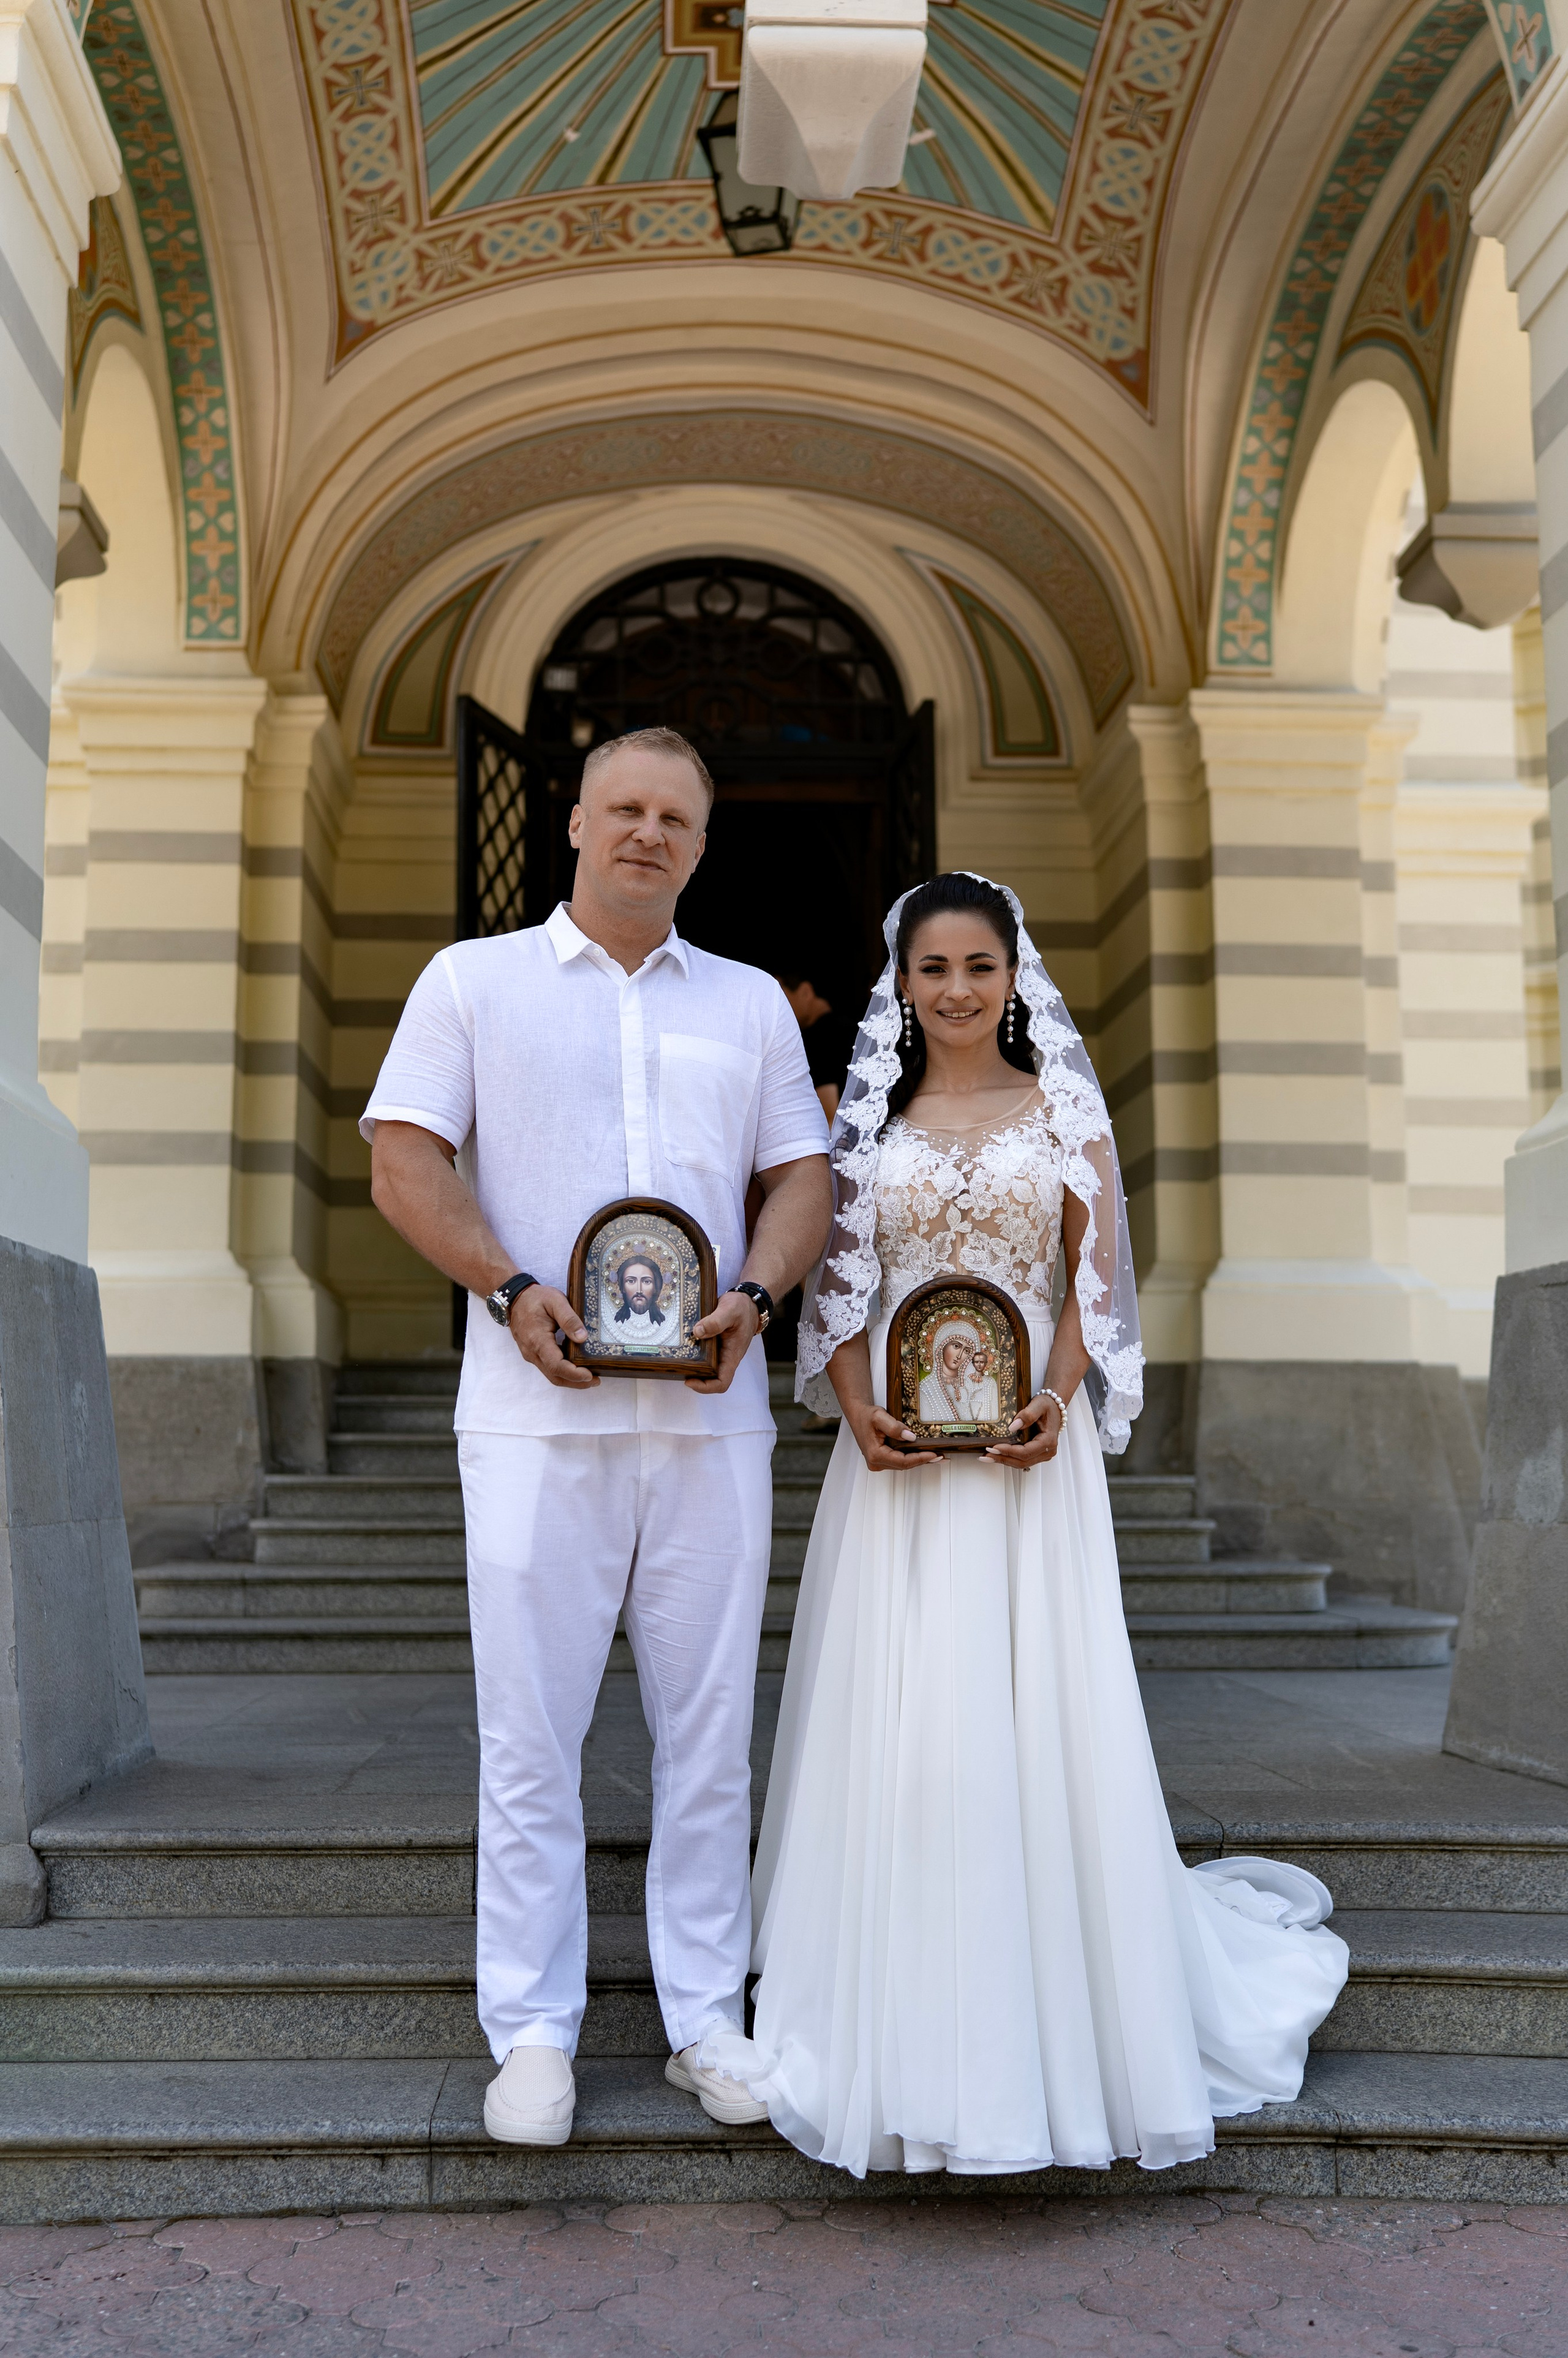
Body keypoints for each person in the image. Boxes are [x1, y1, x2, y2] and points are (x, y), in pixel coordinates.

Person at [734, 871, 1348, 2179]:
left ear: (1015, 980)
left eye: (979, 966)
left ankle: (1062, 2013)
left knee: (1032, 1710)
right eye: (932, 968)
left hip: (1026, 1460)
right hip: (894, 1465)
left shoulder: (1060, 1112)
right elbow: (834, 1295)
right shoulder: (866, 1129)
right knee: (904, 1727)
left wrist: (1059, 1401)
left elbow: (1087, 1283)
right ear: (897, 982)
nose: (955, 990)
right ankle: (893, 2011)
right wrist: (855, 1414)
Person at [363, 725, 832, 2149]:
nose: (647, 832)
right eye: (623, 807)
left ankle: (702, 2018)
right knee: (530, 1733)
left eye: (674, 816)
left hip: (706, 1422)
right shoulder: (469, 980)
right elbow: (402, 1156)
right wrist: (507, 1290)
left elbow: (799, 1173)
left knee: (708, 1735)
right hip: (530, 1419)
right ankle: (531, 2029)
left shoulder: (748, 1002)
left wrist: (754, 1295)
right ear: (571, 821)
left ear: (699, 843)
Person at [917, 1323, 975, 1424]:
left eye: (966, 1351)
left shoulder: (971, 1386)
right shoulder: (926, 1388)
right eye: (956, 1346)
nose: (959, 1356)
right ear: (942, 1346)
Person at [610, 1254, 668, 1350]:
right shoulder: (614, 1323)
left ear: (655, 1287)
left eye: (646, 1282)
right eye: (631, 1281)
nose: (639, 1290)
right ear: (622, 1287)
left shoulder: (666, 1324)